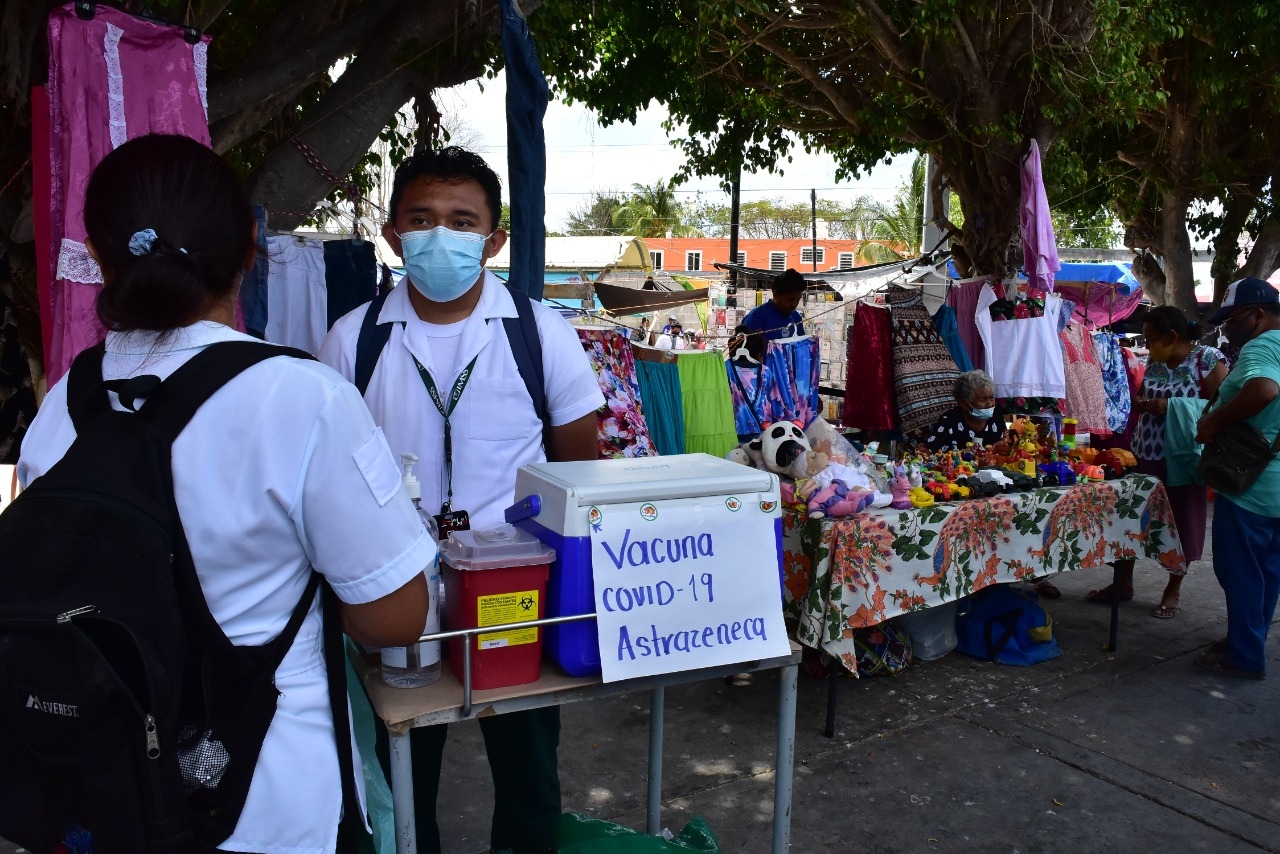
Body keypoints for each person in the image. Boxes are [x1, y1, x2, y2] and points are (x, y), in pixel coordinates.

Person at [17, 133, 435, 852]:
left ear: (98, 255)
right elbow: (394, 617)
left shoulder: (62, 404)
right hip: (263, 804)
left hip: (104, 796)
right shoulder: (303, 398)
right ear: (251, 244)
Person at [318, 146, 604, 852]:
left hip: (517, 590)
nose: (440, 236)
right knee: (402, 775)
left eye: (461, 220)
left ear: (493, 240)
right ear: (392, 233)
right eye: (422, 218)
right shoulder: (351, 341)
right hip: (395, 593)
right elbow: (324, 478)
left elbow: (581, 469)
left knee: (530, 776)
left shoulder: (542, 333)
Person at [1085, 306, 1226, 618]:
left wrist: (1172, 406)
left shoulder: (1208, 360)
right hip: (1145, 452)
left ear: (1171, 336)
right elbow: (1145, 395)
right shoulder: (1156, 362)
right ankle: (1122, 583)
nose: (1146, 347)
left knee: (1183, 521)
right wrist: (1141, 404)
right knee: (1131, 518)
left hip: (1184, 456)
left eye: (1149, 340)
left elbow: (1222, 408)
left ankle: (1173, 589)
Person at [1194, 277, 1280, 679]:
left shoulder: (1263, 346)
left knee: (1240, 570)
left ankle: (1244, 656)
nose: (1228, 327)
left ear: (1258, 315)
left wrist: (1215, 421)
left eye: (1233, 318)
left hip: (1249, 485)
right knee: (1267, 572)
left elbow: (1263, 391)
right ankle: (1249, 640)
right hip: (1275, 485)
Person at [920, 370, 1007, 452]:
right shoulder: (949, 421)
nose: (989, 404)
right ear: (964, 403)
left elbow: (1005, 444)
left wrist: (1004, 447)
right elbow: (929, 452)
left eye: (991, 398)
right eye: (982, 400)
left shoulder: (997, 417)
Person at [742, 267, 806, 341]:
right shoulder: (755, 318)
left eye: (798, 299)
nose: (794, 304)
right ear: (776, 294)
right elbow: (742, 350)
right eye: (790, 299)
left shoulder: (796, 318)